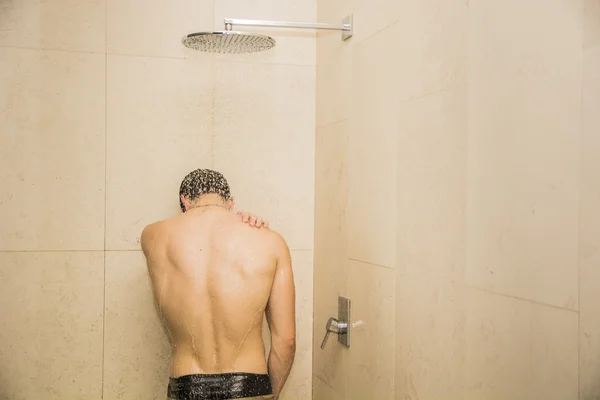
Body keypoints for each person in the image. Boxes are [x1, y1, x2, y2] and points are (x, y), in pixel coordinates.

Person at [141, 169, 296, 400]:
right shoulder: (270, 241)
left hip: (187, 387)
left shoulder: (152, 236)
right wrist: (270, 396)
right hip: (250, 386)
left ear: (184, 200)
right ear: (231, 202)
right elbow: (286, 341)